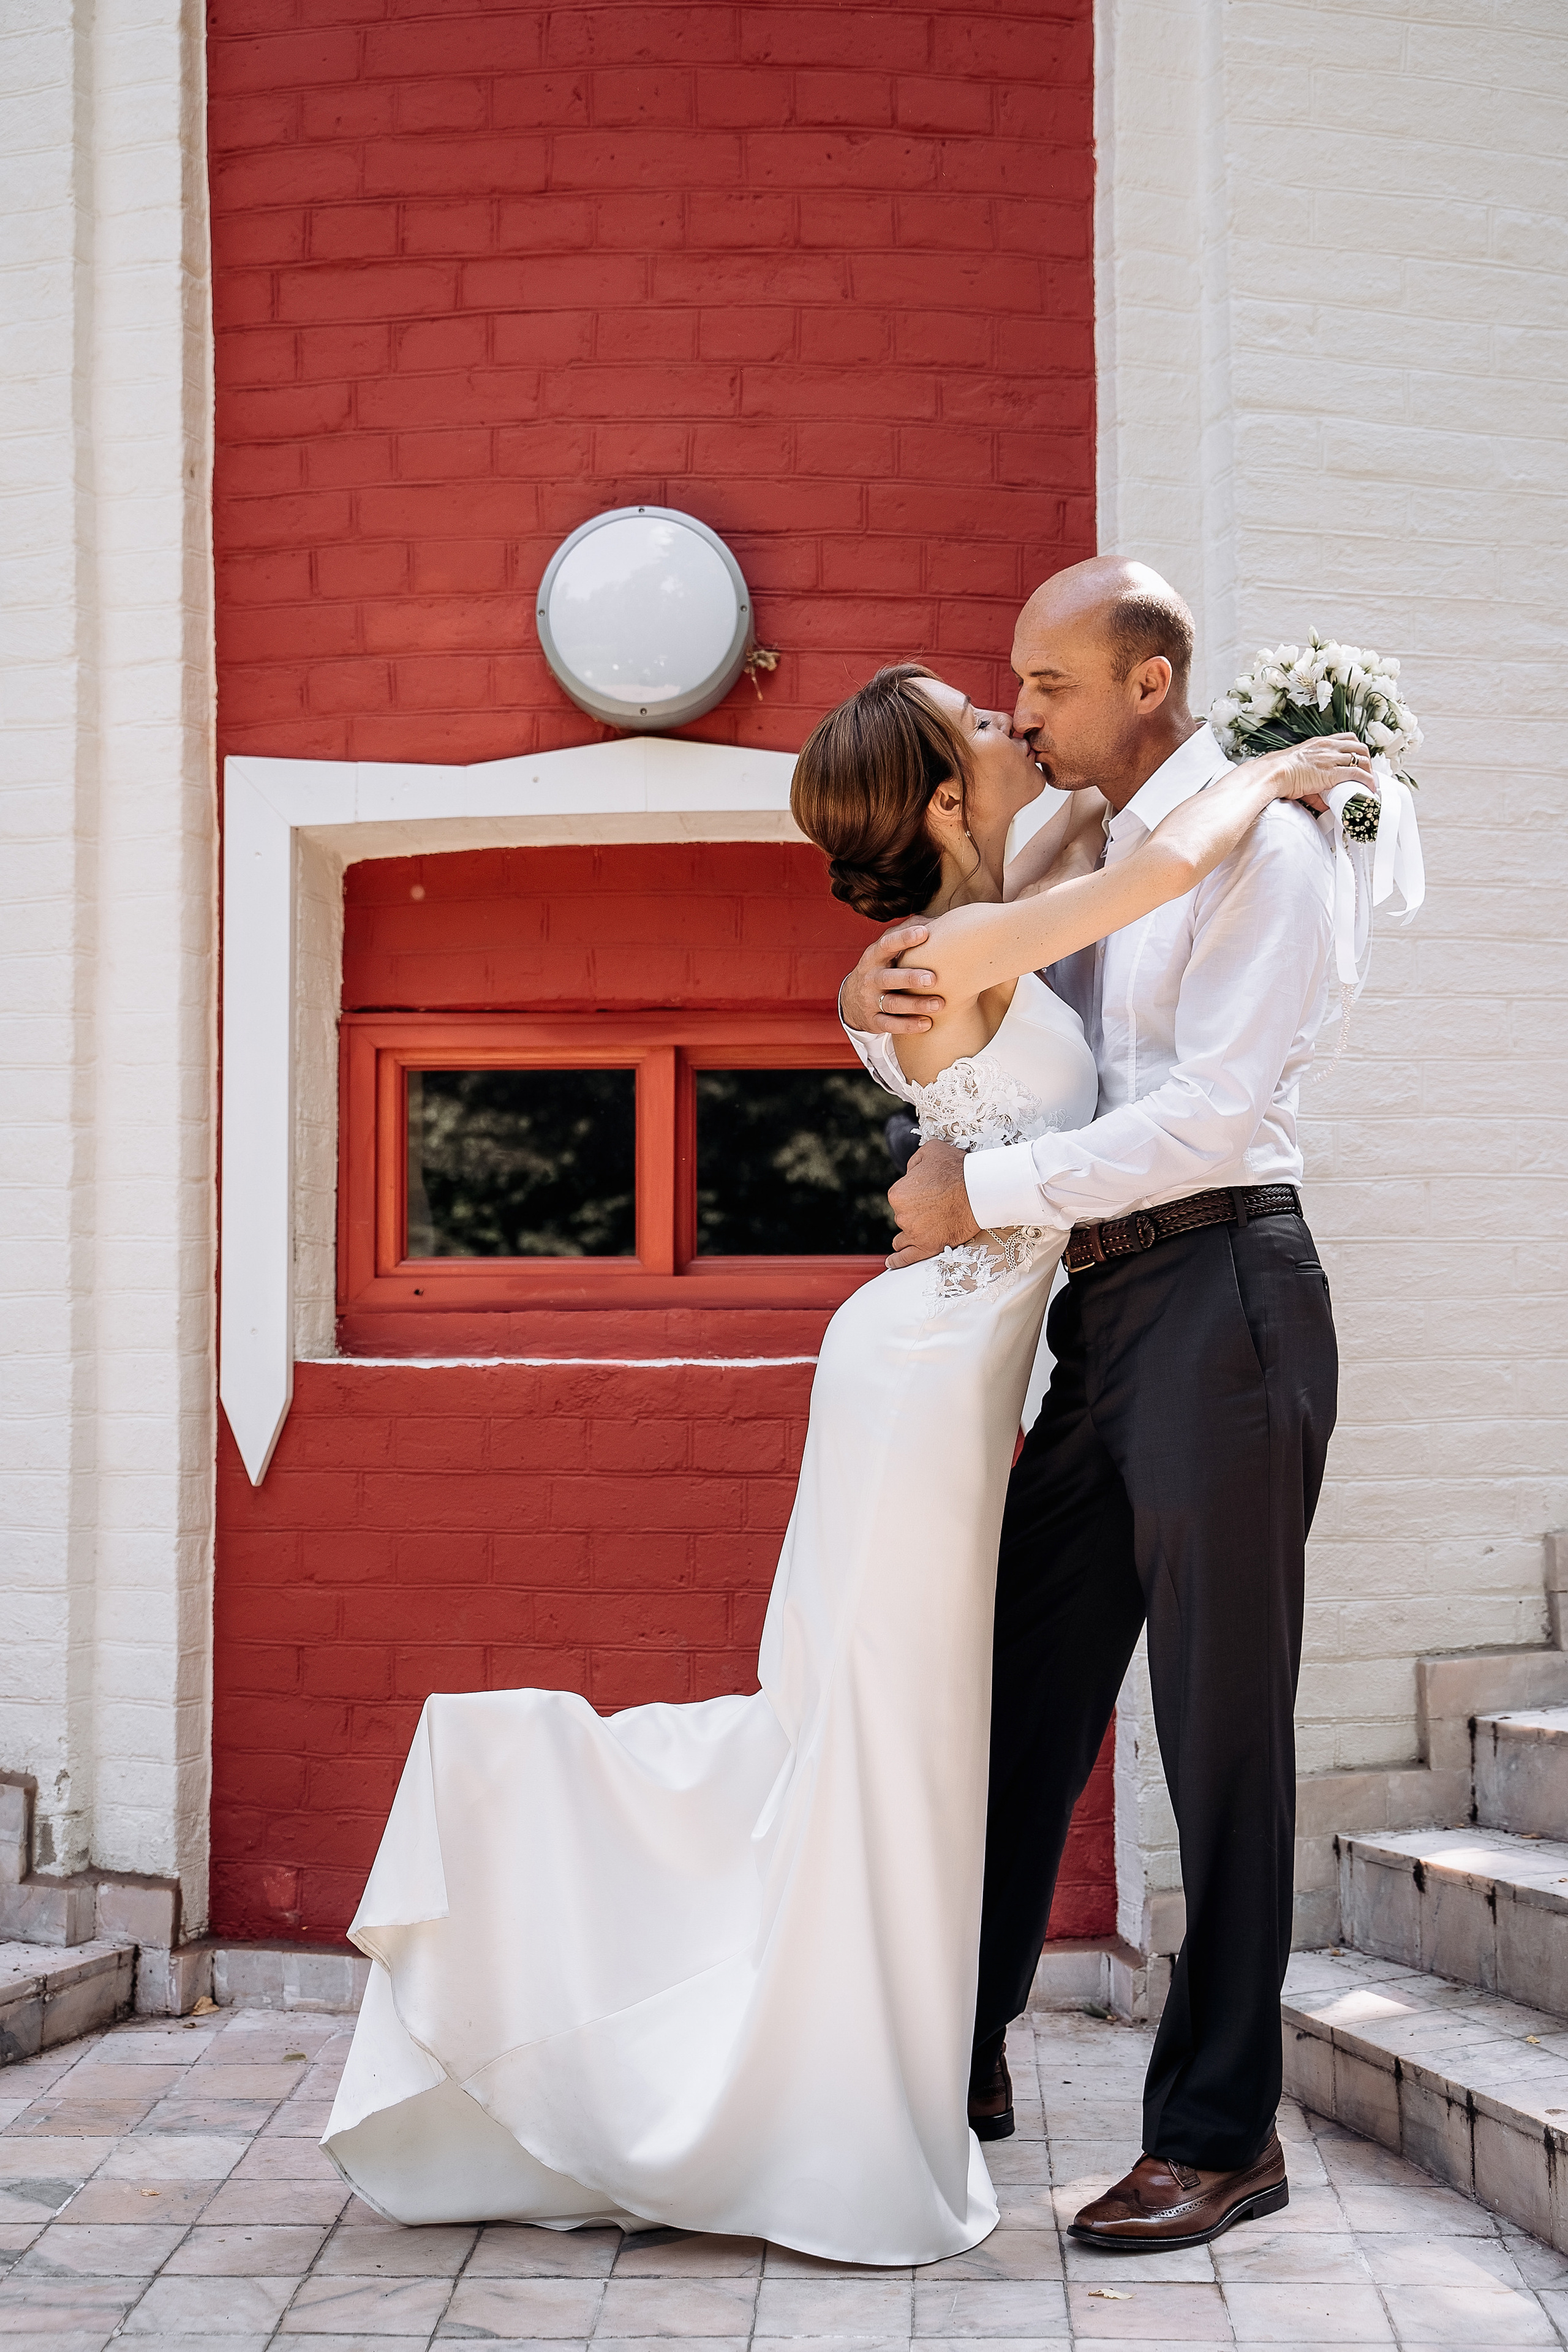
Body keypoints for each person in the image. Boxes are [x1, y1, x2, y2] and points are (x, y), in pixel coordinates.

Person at [322, 654, 1366, 2264]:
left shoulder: (981, 915)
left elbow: (1103, 885)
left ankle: (987, 2065)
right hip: (944, 1363)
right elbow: (1158, 863)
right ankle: (880, 2040)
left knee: (946, 1718)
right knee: (909, 1718)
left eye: (1025, 694)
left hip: (1014, 1340)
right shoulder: (964, 942)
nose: (1015, 718)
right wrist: (1272, 771)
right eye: (985, 716)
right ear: (944, 800)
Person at [839, 557, 1348, 2252]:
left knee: (1220, 1735)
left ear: (1146, 684)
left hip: (1228, 1293)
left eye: (1046, 686)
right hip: (1104, 1312)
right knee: (1021, 1696)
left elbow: (1213, 1118)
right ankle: (955, 2048)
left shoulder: (1273, 848)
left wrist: (978, 1196)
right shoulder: (1081, 845)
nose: (1023, 714)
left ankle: (1221, 2135)